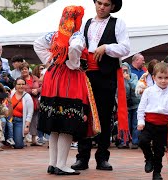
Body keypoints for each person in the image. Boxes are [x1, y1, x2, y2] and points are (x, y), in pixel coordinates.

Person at [71, 0, 130, 171]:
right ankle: (82, 157)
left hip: (106, 76)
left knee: (104, 117)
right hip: (86, 75)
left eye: (106, 4)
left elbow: (125, 48)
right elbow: (79, 44)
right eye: (99, 3)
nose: (102, 7)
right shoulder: (87, 23)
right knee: (84, 115)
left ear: (112, 7)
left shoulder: (118, 23)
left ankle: (102, 157)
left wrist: (106, 47)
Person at [34, 6, 93, 175]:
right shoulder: (77, 35)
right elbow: (75, 48)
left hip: (53, 79)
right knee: (67, 123)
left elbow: (37, 44)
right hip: (70, 81)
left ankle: (53, 163)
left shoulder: (54, 34)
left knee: (55, 124)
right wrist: (72, 63)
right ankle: (61, 164)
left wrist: (51, 60)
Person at [137, 62, 168, 180]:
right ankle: (148, 158)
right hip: (149, 123)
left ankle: (157, 172)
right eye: (160, 78)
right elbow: (141, 108)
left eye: (166, 78)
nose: (163, 81)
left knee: (159, 150)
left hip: (162, 126)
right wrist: (141, 122)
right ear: (154, 77)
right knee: (142, 141)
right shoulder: (148, 91)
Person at [118, 62, 140, 149]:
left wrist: (129, 79)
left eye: (126, 70)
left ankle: (135, 142)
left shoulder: (133, 76)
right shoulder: (118, 77)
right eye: (122, 70)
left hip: (135, 103)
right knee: (125, 123)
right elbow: (117, 91)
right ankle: (124, 142)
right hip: (124, 104)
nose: (124, 72)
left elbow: (136, 87)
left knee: (135, 123)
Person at [19, 62, 42, 146]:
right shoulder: (19, 79)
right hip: (24, 102)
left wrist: (37, 90)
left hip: (35, 102)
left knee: (35, 121)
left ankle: (34, 140)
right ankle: (22, 139)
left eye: (25, 69)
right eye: (22, 69)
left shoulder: (35, 78)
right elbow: (19, 88)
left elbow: (42, 86)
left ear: (28, 69)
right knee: (24, 119)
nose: (24, 71)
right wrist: (31, 91)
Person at [10, 77, 33, 149]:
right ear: (15, 85)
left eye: (23, 84)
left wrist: (27, 127)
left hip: (19, 121)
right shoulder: (11, 94)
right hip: (9, 120)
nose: (21, 86)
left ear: (25, 85)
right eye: (19, 84)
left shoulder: (28, 97)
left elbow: (30, 113)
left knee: (18, 145)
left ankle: (19, 139)